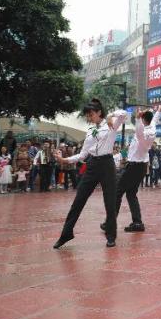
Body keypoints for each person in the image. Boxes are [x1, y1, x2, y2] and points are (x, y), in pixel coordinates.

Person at [53, 99, 127, 249]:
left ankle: (111, 236)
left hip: (107, 165)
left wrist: (110, 115)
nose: (89, 118)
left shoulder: (111, 124)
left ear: (99, 112)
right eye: (88, 115)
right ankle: (66, 234)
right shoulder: (89, 131)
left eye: (91, 114)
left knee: (110, 202)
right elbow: (82, 155)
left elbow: (124, 113)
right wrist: (64, 159)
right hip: (92, 165)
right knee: (78, 200)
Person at [99, 104, 161, 234]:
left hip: (135, 166)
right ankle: (137, 222)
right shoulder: (151, 127)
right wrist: (159, 111)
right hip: (140, 166)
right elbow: (153, 121)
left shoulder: (145, 133)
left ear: (142, 120)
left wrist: (137, 119)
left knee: (117, 191)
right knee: (130, 194)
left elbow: (139, 132)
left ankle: (110, 223)